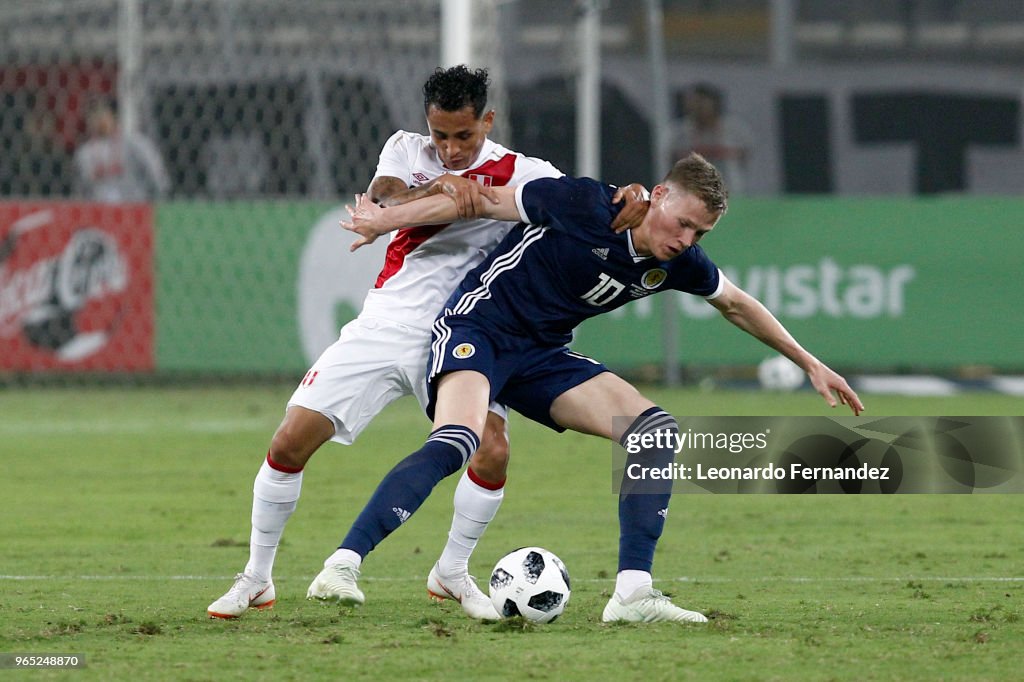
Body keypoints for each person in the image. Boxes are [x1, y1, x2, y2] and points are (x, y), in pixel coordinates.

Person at [338, 152, 864, 624]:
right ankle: (344, 564)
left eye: (699, 234)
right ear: (658, 195)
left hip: (542, 356)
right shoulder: (586, 203)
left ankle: (632, 595)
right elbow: (479, 202)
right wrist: (384, 220)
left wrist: (810, 363)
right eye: (682, 223)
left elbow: (735, 303)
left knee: (654, 432)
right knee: (460, 441)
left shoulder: (676, 261)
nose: (685, 240)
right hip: (480, 330)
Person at [206, 66, 648, 620]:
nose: (451, 147)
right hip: (384, 324)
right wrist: (438, 185)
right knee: (291, 441)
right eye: (441, 135)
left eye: (464, 136)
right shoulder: (406, 150)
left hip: (461, 331)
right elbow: (386, 201)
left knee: (492, 449)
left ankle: (453, 573)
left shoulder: (523, 171)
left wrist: (629, 195)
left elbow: (584, 203)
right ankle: (256, 577)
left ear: (487, 120)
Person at [72, 98, 170, 202]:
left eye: (102, 115)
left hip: (133, 204)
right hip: (99, 208)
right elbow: (81, 187)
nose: (98, 121)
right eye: (93, 117)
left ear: (113, 116)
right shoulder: (84, 153)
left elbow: (155, 170)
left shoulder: (134, 143)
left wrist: (160, 195)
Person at [671, 83, 752, 194]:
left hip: (731, 190)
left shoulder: (735, 131)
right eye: (693, 102)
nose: (697, 107)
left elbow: (745, 156)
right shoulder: (678, 133)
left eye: (701, 102)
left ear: (714, 103)